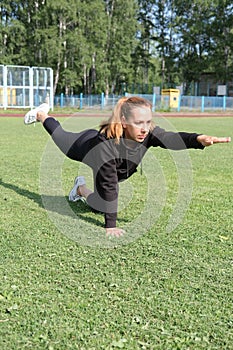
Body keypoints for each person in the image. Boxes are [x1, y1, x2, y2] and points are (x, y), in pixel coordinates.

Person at [24, 97, 231, 237]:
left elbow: (170, 138)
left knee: (97, 206)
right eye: (138, 122)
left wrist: (197, 139)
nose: (144, 128)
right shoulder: (105, 146)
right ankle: (43, 114)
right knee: (60, 138)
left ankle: (80, 188)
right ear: (124, 121)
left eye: (148, 122)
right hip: (86, 147)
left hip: (111, 167)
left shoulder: (147, 132)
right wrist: (110, 225)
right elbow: (110, 184)